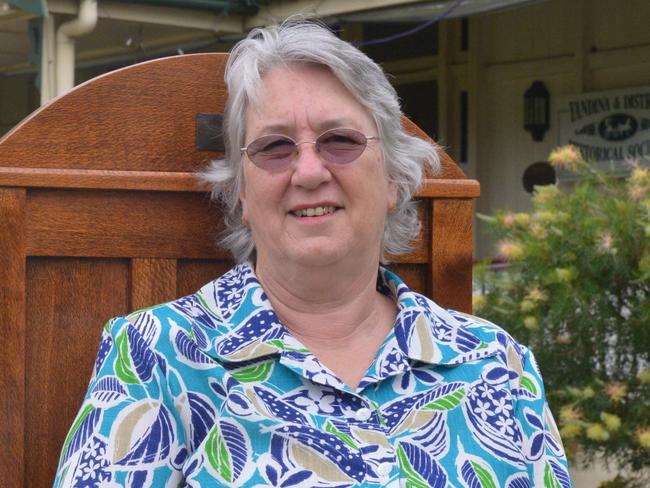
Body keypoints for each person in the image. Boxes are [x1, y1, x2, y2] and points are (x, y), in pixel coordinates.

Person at [54, 20, 572, 488]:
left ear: (393, 178)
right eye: (275, 148)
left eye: (340, 141)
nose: (308, 172)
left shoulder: (495, 364)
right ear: (240, 195)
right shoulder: (157, 357)